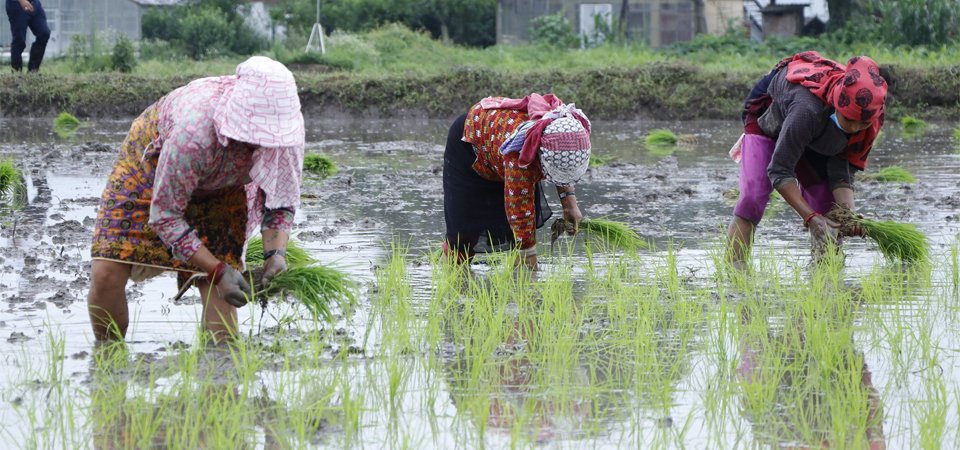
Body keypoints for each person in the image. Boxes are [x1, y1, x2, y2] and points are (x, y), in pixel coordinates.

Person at [87, 56, 305, 342]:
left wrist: (275, 256)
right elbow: (165, 215)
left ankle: (220, 375)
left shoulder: (286, 138)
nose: (262, 142)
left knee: (223, 291)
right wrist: (215, 269)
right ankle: (109, 361)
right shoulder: (194, 132)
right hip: (151, 171)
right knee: (107, 272)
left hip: (223, 189)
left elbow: (280, 200)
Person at [726, 51, 888, 265]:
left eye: (862, 124)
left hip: (817, 132)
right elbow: (779, 170)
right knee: (752, 198)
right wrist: (810, 218)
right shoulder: (807, 110)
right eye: (849, 120)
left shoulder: (870, 119)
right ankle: (734, 277)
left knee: (828, 209)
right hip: (772, 118)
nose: (855, 128)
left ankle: (826, 281)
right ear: (838, 104)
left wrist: (848, 215)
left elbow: (843, 166)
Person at [443, 94, 592, 270]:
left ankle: (515, 281)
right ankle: (453, 277)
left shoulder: (562, 133)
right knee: (464, 234)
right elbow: (520, 212)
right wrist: (529, 259)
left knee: (521, 235)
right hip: (469, 147)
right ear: (541, 155)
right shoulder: (521, 155)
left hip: (500, 147)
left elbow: (563, 167)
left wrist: (570, 204)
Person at [5, 0, 50, 72]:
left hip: (34, 3)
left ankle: (33, 70)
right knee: (19, 40)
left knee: (44, 33)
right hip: (16, 4)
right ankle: (17, 73)